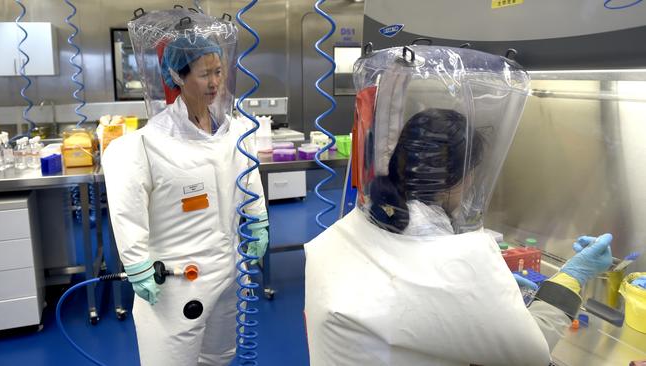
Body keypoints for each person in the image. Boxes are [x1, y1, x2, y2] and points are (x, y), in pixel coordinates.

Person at [304, 45, 613, 366]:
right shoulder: (454, 257)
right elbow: (532, 355)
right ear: (463, 178)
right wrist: (573, 275)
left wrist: (487, 293)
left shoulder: (360, 223)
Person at [102, 9, 267, 366]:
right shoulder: (143, 146)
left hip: (228, 272)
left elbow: (248, 179)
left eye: (219, 72)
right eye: (205, 73)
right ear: (178, 76)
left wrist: (258, 220)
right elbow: (126, 209)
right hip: (176, 283)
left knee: (220, 356)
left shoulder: (236, 134)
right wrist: (136, 263)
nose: (214, 83)